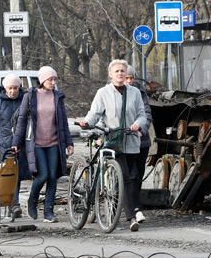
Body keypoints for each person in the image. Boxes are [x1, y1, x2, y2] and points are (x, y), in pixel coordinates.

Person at [79, 59, 147, 232]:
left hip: (130, 139)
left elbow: (142, 114)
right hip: (112, 140)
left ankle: (124, 212)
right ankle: (130, 216)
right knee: (124, 176)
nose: (120, 74)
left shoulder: (135, 93)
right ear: (110, 74)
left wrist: (137, 125)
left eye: (123, 71)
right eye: (116, 71)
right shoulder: (103, 93)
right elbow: (94, 114)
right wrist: (86, 122)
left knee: (132, 177)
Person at [12, 66, 74, 222]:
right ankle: (32, 201)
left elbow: (63, 123)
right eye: (50, 79)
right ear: (42, 80)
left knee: (53, 177)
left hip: (54, 142)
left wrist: (69, 142)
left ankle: (48, 212)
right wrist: (16, 143)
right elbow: (21, 121)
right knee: (43, 175)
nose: (53, 82)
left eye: (55, 79)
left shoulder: (57, 96)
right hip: (36, 143)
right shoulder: (31, 96)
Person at [0, 74, 31, 218]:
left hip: (22, 143)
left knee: (17, 174)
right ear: (5, 88)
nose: (13, 91)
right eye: (10, 88)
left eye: (16, 88)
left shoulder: (24, 99)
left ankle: (14, 204)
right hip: (5, 144)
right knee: (5, 173)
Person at [125, 65, 152, 219]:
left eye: (131, 78)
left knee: (138, 175)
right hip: (123, 140)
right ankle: (133, 208)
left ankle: (135, 206)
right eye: (126, 78)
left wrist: (141, 129)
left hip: (141, 140)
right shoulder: (111, 92)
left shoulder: (140, 92)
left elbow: (147, 113)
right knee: (129, 174)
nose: (129, 81)